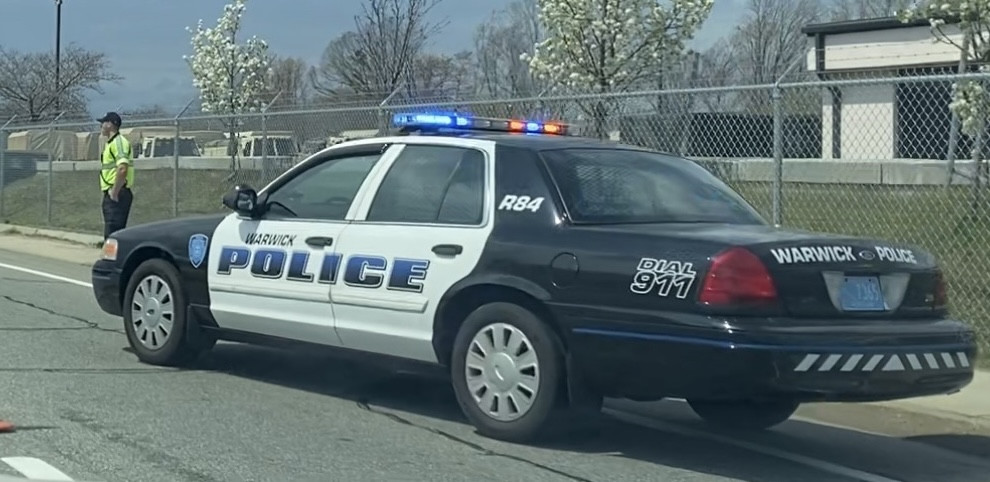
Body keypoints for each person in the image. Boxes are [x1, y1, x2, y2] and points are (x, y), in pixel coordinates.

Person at [97, 112, 134, 240]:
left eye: (103, 122)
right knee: (112, 235)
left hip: (118, 193)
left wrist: (114, 192)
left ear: (111, 124)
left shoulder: (119, 143)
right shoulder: (110, 143)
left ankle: (112, 259)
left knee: (113, 236)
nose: (101, 125)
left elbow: (122, 168)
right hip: (113, 192)